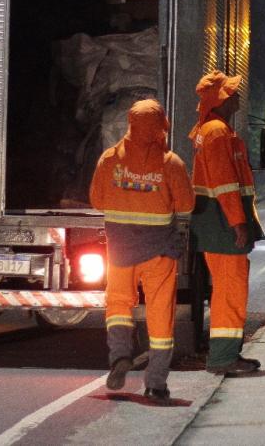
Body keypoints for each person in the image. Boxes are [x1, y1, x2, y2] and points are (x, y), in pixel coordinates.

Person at [89, 98, 194, 404]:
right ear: (161, 127)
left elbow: (97, 201)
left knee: (118, 304)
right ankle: (155, 384)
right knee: (160, 314)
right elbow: (187, 205)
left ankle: (120, 355)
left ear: (130, 125)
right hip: (160, 252)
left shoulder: (109, 159)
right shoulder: (171, 163)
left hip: (120, 250)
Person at [189, 70, 265, 374]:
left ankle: (227, 354)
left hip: (218, 223)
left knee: (227, 290)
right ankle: (223, 358)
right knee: (230, 291)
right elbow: (224, 184)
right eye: (232, 93)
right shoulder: (217, 133)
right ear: (220, 100)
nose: (237, 98)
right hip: (222, 225)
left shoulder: (212, 130)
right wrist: (238, 222)